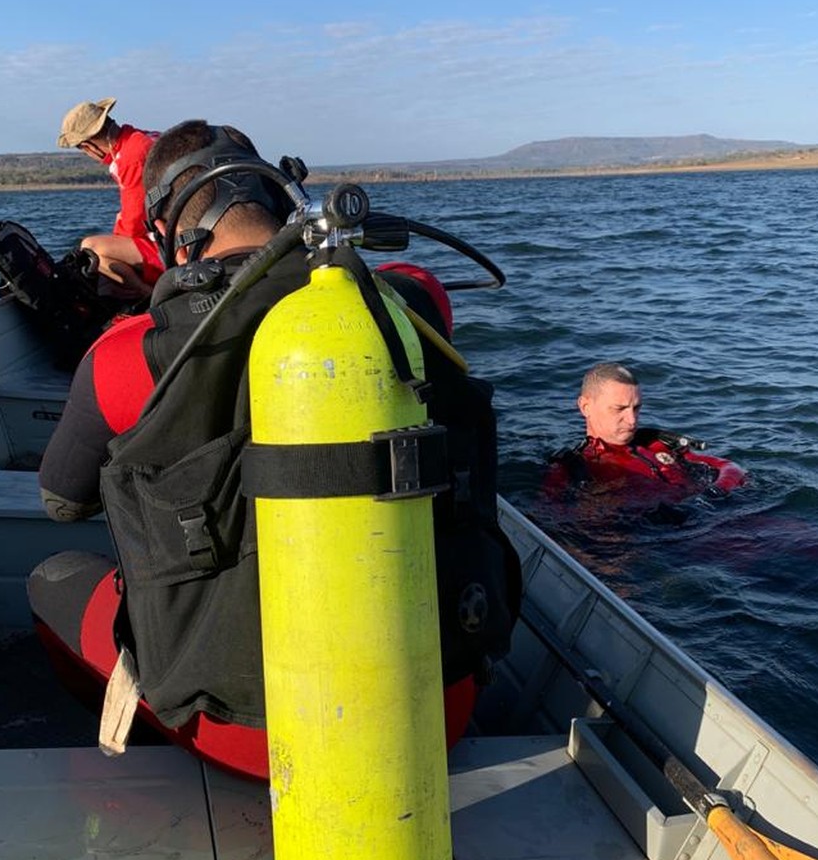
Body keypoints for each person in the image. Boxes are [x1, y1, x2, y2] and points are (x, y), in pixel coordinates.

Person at [31, 119, 516, 777]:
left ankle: (150, 757)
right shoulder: (403, 308)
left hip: (252, 742)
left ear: (171, 235)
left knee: (53, 577)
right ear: (281, 198)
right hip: (439, 710)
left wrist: (158, 306)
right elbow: (418, 281)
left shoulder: (122, 359)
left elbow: (63, 498)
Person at [543, 361, 746, 502]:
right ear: (585, 407)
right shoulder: (576, 468)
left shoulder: (657, 445)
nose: (632, 420)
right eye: (619, 409)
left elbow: (731, 468)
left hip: (719, 516)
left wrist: (712, 496)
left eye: (636, 408)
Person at [57, 96, 163, 292]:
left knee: (91, 248)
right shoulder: (142, 138)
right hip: (185, 233)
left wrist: (117, 232)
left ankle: (151, 296)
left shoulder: (131, 157)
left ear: (88, 146)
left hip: (177, 247)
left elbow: (132, 225)